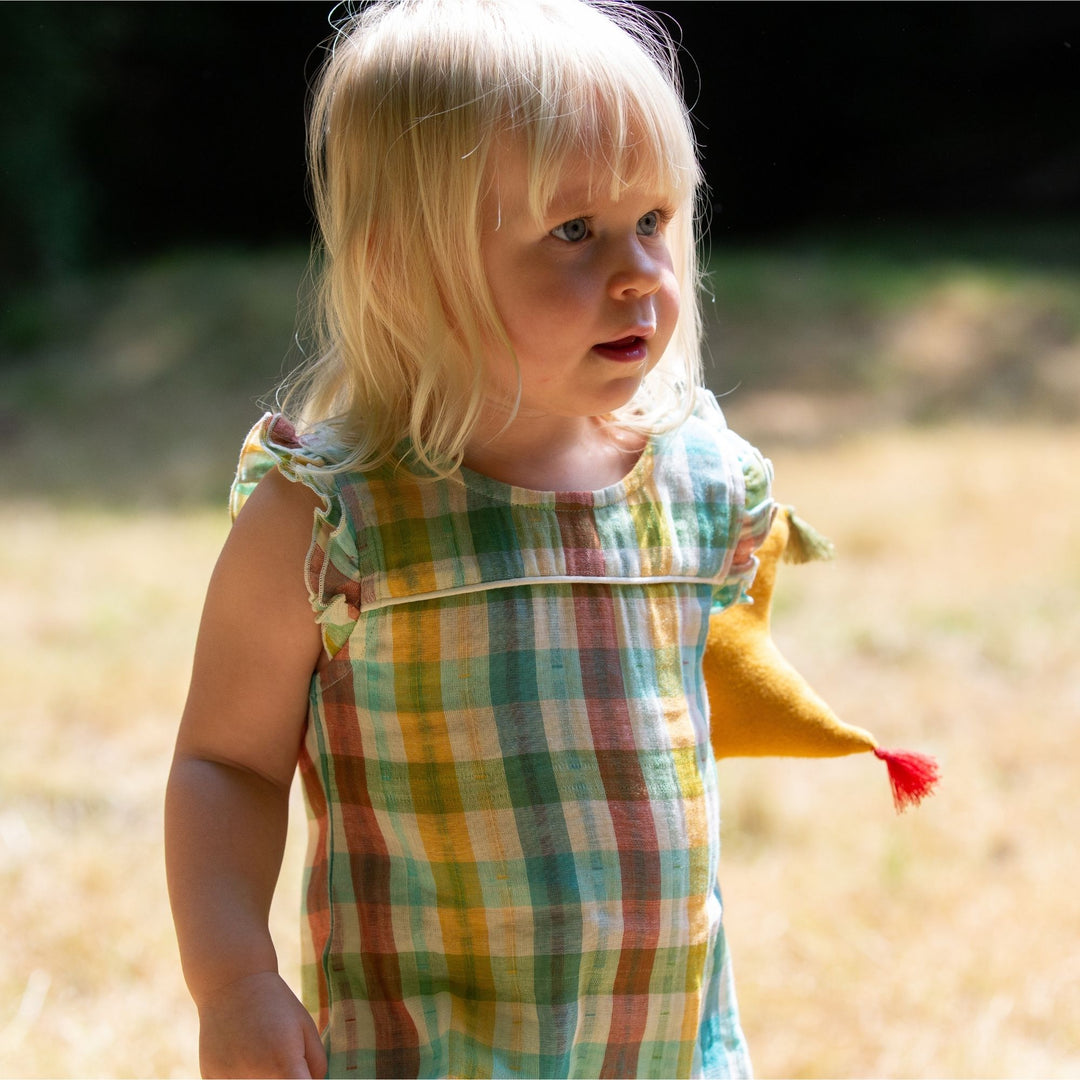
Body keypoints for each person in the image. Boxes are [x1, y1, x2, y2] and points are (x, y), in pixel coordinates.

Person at [165, 0, 774, 1076]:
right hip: (427, 1046)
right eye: (573, 232)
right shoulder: (331, 519)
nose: (639, 272)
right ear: (405, 263)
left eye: (654, 220)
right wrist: (235, 984)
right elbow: (226, 760)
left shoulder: (697, 483)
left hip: (665, 1044)